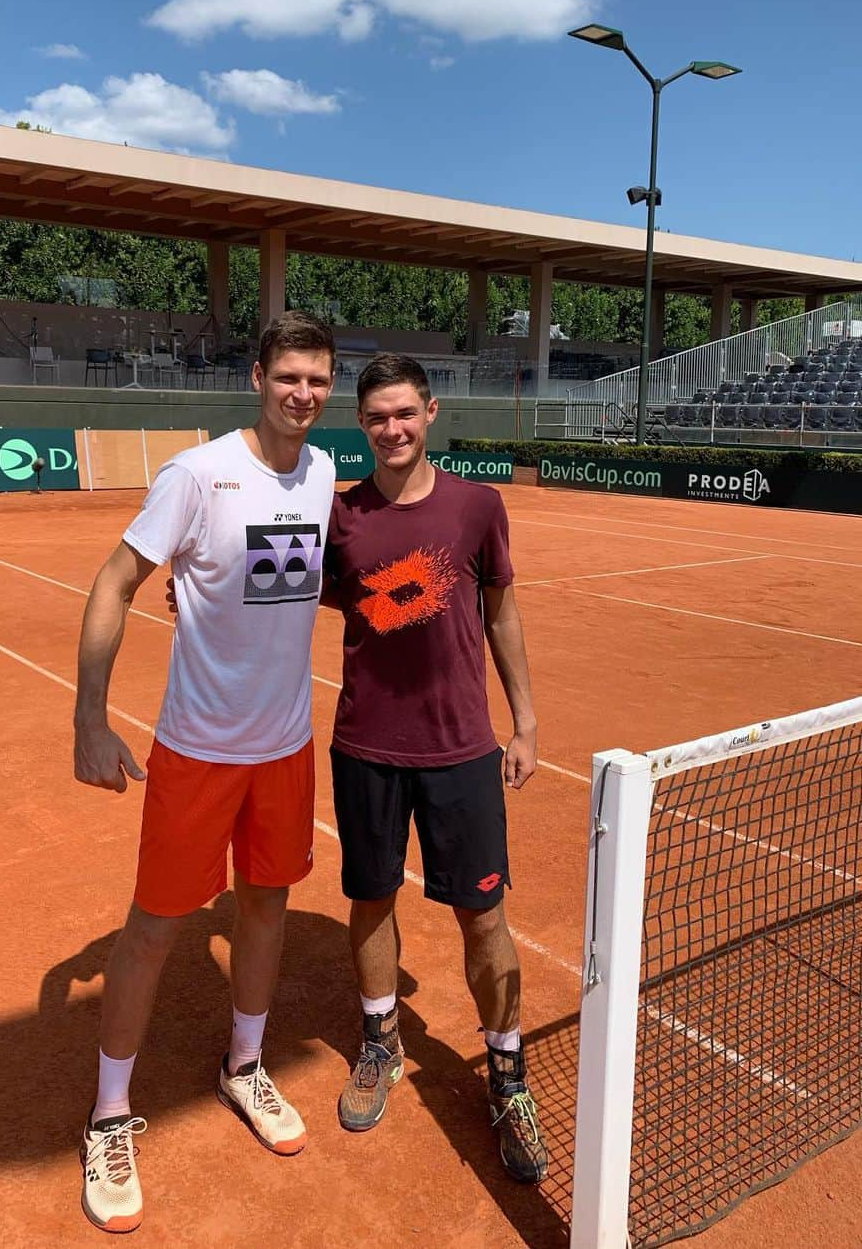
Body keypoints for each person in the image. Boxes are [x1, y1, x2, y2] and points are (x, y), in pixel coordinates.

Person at [72, 310, 336, 1233]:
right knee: (155, 929)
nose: (302, 394)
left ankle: (245, 1065)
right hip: (197, 751)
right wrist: (89, 718)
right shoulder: (197, 474)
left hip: (286, 749)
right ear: (257, 376)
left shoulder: (324, 471)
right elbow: (114, 581)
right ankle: (110, 1113)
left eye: (317, 379)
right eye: (288, 376)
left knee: (266, 905)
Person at [323, 353, 548, 1183]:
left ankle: (508, 1074)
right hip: (365, 748)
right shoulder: (340, 515)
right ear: (363, 422)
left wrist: (523, 721)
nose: (393, 429)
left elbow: (502, 611)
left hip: (463, 751)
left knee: (484, 919)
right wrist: (198, 590)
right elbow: (283, 592)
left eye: (406, 413)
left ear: (432, 411)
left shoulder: (477, 507)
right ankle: (381, 1040)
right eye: (378, 417)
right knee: (371, 897)